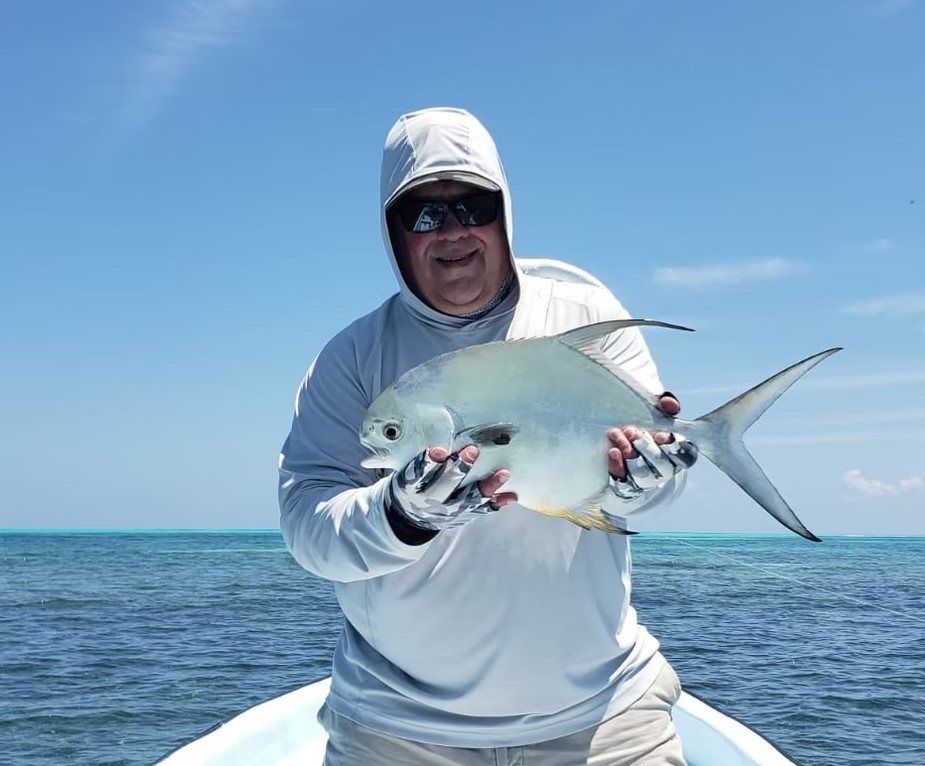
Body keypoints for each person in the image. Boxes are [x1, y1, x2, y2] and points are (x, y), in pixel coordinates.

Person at [279, 107, 698, 765]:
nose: (453, 231)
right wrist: (399, 513)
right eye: (423, 214)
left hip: (600, 719)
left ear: (503, 212)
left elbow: (643, 495)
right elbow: (308, 528)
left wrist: (649, 478)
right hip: (397, 729)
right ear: (392, 230)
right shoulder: (352, 358)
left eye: (472, 205)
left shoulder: (585, 316)